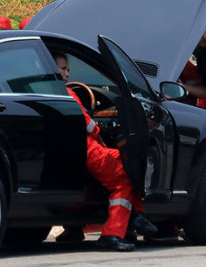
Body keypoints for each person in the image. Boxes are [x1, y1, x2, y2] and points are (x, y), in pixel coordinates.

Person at [53, 53, 157, 251]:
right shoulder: (67, 93)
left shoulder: (42, 91)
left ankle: (78, 228)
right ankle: (118, 229)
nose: (67, 73)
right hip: (88, 149)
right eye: (63, 68)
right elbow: (87, 124)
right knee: (129, 170)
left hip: (66, 154)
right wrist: (99, 134)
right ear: (52, 69)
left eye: (68, 69)